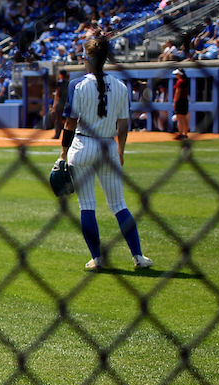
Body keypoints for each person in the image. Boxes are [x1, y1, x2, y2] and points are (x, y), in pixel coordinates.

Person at [59, 35, 153, 271]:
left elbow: (69, 124)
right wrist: (120, 150)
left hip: (82, 147)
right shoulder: (121, 86)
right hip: (108, 146)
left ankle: (97, 259)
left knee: (87, 205)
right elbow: (123, 125)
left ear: (87, 58)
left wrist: (62, 154)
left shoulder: (77, 85)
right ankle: (138, 257)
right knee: (119, 204)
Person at [171, 67, 190, 140]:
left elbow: (177, 92)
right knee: (184, 118)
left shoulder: (180, 82)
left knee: (179, 118)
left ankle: (180, 133)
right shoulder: (184, 81)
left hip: (180, 101)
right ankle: (185, 134)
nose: (176, 76)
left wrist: (175, 101)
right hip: (185, 100)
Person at [51, 69, 69, 139]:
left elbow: (57, 93)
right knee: (67, 119)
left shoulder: (59, 83)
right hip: (67, 102)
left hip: (60, 102)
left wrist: (54, 104)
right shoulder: (69, 82)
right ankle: (67, 134)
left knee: (58, 119)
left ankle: (57, 134)